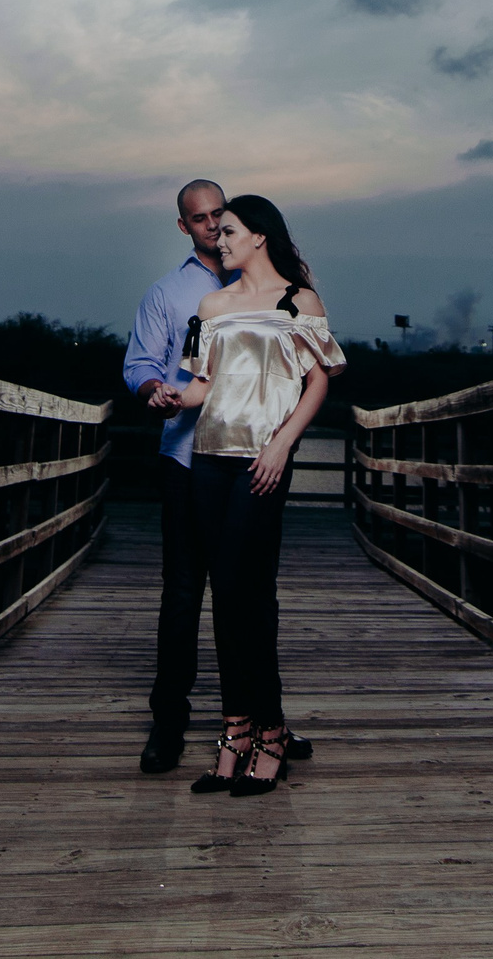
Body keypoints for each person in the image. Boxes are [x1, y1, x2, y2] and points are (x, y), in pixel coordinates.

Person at [168, 193, 344, 796]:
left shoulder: (299, 302)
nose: (219, 239)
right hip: (209, 460)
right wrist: (170, 397)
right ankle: (238, 732)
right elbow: (202, 386)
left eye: (230, 230)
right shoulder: (213, 304)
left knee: (247, 594)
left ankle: (270, 737)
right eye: (215, 232)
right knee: (226, 594)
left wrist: (281, 445)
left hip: (262, 462)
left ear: (260, 235)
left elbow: (318, 382)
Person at [120, 179, 233, 773]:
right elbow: (140, 363)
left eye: (220, 213)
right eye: (200, 217)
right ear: (184, 226)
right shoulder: (167, 292)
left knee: (245, 593)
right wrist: (154, 390)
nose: (212, 225)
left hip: (245, 463)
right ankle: (169, 721)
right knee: (184, 592)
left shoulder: (261, 281)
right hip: (187, 458)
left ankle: (260, 721)